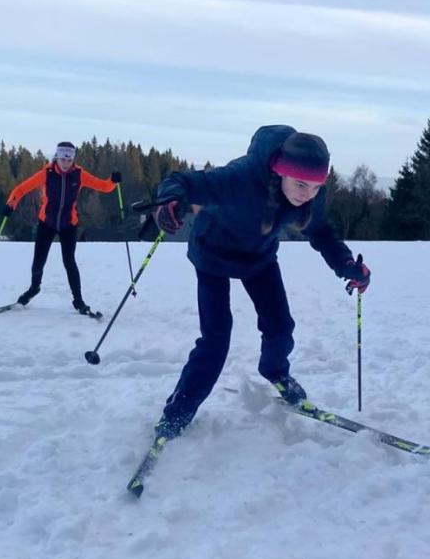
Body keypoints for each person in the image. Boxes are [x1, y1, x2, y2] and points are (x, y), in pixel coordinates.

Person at [148, 124, 371, 437]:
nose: (307, 194)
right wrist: (169, 199)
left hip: (258, 259)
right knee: (216, 340)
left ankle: (275, 372)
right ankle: (177, 413)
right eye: (300, 184)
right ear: (280, 171)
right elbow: (182, 182)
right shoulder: (241, 177)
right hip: (212, 255)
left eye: (316, 187)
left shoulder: (310, 196)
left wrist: (346, 264)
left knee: (280, 327)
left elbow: (321, 231)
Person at [3, 141, 122, 315]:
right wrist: (10, 204)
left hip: (69, 224)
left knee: (69, 262)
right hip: (47, 223)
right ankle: (34, 288)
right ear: (57, 157)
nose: (65, 163)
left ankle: (78, 300)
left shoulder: (79, 174)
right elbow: (21, 189)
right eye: (62, 159)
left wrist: (113, 180)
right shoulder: (47, 173)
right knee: (38, 262)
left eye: (69, 159)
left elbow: (104, 186)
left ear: (73, 159)